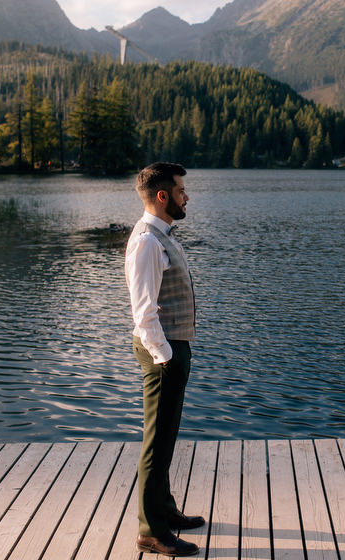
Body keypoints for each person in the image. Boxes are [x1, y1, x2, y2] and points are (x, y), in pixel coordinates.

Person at [125, 162, 203, 557]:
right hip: (163, 353)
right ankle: (150, 531)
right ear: (162, 196)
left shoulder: (162, 236)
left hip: (172, 348)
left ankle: (165, 510)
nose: (186, 196)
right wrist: (166, 357)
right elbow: (144, 312)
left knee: (167, 436)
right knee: (156, 444)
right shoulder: (147, 242)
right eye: (180, 190)